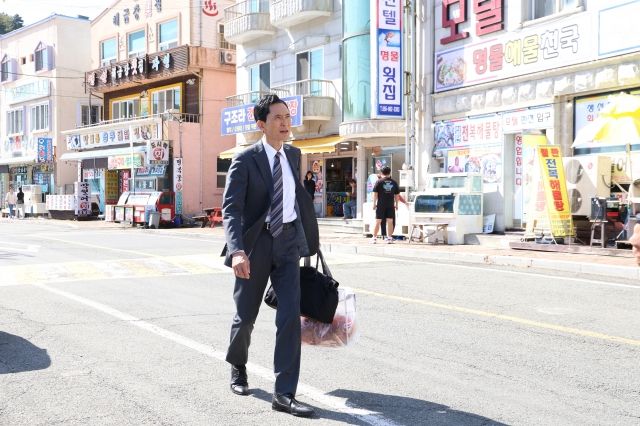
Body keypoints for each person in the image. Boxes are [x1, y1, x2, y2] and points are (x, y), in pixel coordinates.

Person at [221, 94, 319, 418]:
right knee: (245, 315)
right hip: (256, 244)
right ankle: (238, 366)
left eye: (287, 117)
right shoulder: (245, 160)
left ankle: (284, 393)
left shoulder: (293, 154)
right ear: (261, 124)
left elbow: (295, 198)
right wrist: (237, 251)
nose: (285, 123)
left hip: (288, 242)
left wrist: (309, 239)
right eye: (277, 117)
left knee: (290, 316)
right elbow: (231, 210)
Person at [372, 167, 399, 244]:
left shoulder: (378, 182)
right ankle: (389, 238)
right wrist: (396, 204)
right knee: (390, 221)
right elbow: (396, 195)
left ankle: (374, 238)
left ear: (381, 173)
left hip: (381, 204)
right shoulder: (394, 182)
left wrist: (374, 204)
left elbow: (375, 194)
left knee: (378, 221)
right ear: (390, 173)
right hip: (390, 205)